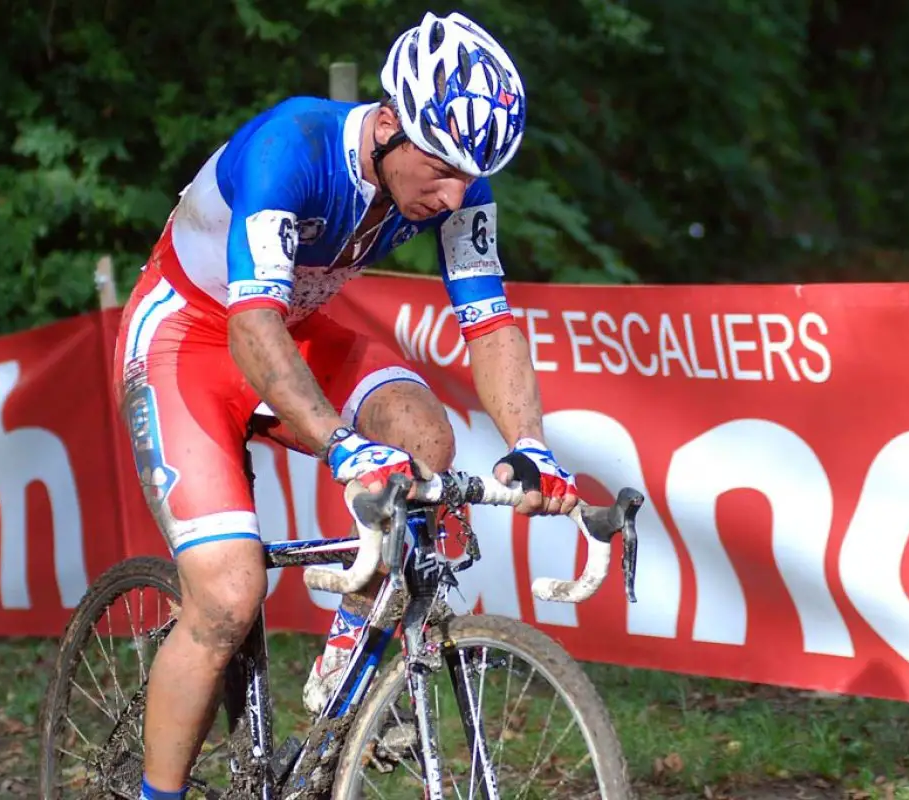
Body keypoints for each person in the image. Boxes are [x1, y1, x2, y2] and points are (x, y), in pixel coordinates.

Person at [112, 10, 580, 800]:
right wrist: (338, 443)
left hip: (292, 329)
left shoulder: (452, 178)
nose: (457, 192)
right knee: (226, 598)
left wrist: (531, 444)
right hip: (189, 339)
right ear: (393, 122)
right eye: (442, 168)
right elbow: (250, 324)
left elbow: (490, 320)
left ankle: (345, 676)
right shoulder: (289, 146)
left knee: (426, 442)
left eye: (473, 173)